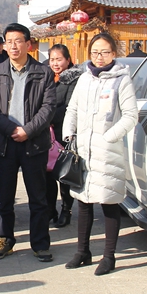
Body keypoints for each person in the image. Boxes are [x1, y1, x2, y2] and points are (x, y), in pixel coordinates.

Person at [61, 33, 137, 276]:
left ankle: (109, 256)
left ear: (113, 54)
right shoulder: (84, 78)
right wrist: (69, 134)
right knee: (83, 203)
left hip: (108, 152)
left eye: (104, 52)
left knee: (109, 203)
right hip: (83, 150)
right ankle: (82, 251)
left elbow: (130, 115)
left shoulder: (121, 80)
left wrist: (108, 137)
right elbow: (72, 108)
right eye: (95, 52)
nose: (99, 57)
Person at [0, 23, 56, 262]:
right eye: (9, 41)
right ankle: (4, 240)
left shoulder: (43, 72)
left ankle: (40, 243)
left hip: (33, 142)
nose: (13, 46)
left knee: (38, 196)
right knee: (4, 197)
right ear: (4, 45)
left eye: (18, 41)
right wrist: (10, 129)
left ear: (29, 44)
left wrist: (27, 130)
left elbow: (48, 108)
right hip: (4, 143)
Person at [46, 44, 82, 228]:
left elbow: (69, 107)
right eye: (52, 59)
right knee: (47, 174)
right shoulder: (47, 77)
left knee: (63, 174)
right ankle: (49, 209)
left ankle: (65, 210)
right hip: (46, 134)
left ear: (68, 60)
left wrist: (47, 117)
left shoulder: (74, 79)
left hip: (64, 133)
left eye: (59, 59)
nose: (55, 63)